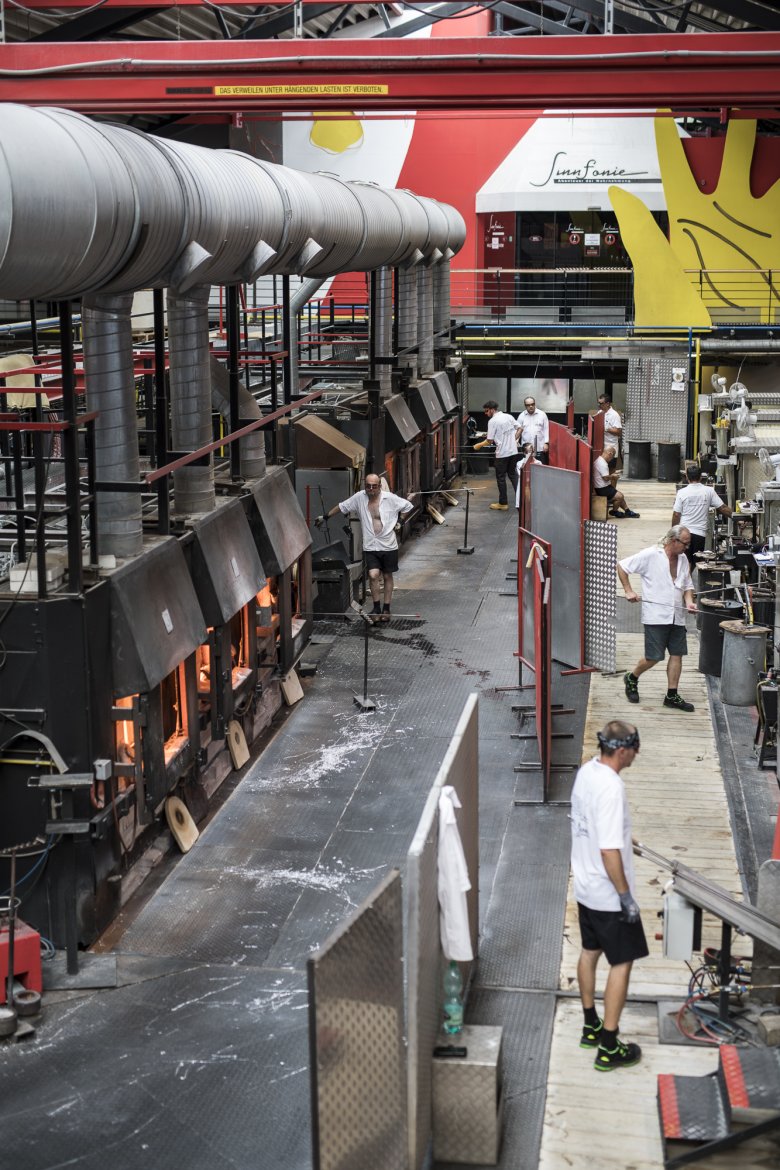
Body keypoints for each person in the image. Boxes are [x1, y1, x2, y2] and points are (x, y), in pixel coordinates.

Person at [570, 720, 648, 1072]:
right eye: (634, 749)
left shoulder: (588, 770)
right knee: (622, 962)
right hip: (607, 893)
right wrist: (625, 896)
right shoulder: (613, 787)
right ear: (621, 750)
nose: (637, 755)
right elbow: (608, 850)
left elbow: (594, 823)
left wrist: (625, 838)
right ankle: (610, 1046)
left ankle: (591, 1025)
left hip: (585, 887)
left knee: (589, 952)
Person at [617, 525, 697, 711]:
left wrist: (689, 602)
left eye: (688, 544)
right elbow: (622, 566)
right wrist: (628, 590)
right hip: (655, 616)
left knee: (677, 654)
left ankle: (671, 695)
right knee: (654, 657)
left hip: (677, 615)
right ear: (673, 541)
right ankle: (632, 677)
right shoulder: (651, 555)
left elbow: (687, 585)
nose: (686, 548)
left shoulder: (684, 559)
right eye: (684, 544)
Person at [316, 474, 413, 623]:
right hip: (371, 544)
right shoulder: (359, 498)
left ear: (379, 486)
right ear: (365, 486)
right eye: (368, 486)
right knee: (373, 575)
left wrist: (400, 521)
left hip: (388, 544)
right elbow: (342, 506)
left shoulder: (390, 498)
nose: (371, 489)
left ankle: (386, 608)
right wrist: (325, 517)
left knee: (387, 575)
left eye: (374, 486)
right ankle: (376, 607)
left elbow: (407, 506)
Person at [672, 465, 732, 564]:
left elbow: (676, 514)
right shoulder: (709, 491)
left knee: (685, 562)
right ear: (700, 477)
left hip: (684, 533)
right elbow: (723, 508)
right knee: (696, 563)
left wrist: (674, 532)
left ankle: (685, 578)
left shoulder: (681, 492)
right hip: (699, 534)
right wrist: (737, 518)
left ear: (687, 477)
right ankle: (688, 578)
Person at [474, 399, 519, 511]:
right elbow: (520, 428)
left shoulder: (493, 421)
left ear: (492, 410)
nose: (485, 413)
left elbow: (489, 440)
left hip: (502, 454)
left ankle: (503, 503)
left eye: (486, 411)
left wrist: (478, 445)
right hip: (513, 452)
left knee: (501, 478)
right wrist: (514, 439)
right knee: (513, 476)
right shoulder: (508, 416)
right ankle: (521, 500)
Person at [593, 446, 639, 518]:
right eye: (613, 456)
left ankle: (627, 511)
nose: (611, 459)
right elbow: (605, 478)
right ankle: (614, 511)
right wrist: (613, 476)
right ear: (610, 454)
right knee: (620, 496)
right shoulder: (602, 464)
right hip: (602, 489)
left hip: (604, 486)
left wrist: (612, 475)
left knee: (619, 496)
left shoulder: (599, 460)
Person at [515, 395, 549, 463]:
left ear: (535, 404)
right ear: (525, 406)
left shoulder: (542, 414)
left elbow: (546, 429)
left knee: (540, 467)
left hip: (540, 447)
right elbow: (517, 430)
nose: (531, 406)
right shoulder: (521, 416)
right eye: (528, 405)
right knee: (527, 469)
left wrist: (546, 443)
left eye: (532, 404)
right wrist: (516, 442)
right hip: (526, 449)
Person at [598, 395, 622, 468]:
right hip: (601, 447)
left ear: (607, 404)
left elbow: (618, 432)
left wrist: (606, 429)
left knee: (610, 469)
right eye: (598, 403)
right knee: (602, 469)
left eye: (601, 403)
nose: (599, 405)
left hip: (610, 447)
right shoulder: (600, 412)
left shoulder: (614, 415)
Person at [515, 443, 541, 509]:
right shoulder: (519, 464)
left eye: (532, 451)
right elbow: (523, 476)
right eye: (529, 452)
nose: (531, 454)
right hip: (524, 489)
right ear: (524, 453)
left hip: (535, 489)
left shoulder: (538, 463)